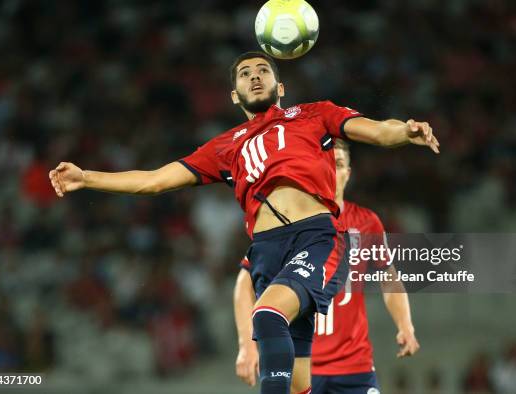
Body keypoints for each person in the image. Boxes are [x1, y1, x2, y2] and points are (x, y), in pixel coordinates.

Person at [49, 51, 439, 394]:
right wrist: (88, 178)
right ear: (235, 95)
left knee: (267, 316)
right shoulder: (225, 146)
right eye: (245, 73)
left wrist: (404, 131)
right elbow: (154, 180)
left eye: (262, 70)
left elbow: (375, 130)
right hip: (266, 253)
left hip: (315, 238)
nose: (254, 75)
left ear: (279, 86)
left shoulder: (314, 115)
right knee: (300, 380)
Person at [234, 139, 420, 394]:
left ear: (348, 173)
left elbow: (388, 277)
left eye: (339, 164)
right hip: (302, 366)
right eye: (327, 164)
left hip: (354, 366)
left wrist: (405, 325)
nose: (333, 170)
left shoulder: (366, 223)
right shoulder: (289, 222)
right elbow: (245, 281)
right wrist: (247, 344)